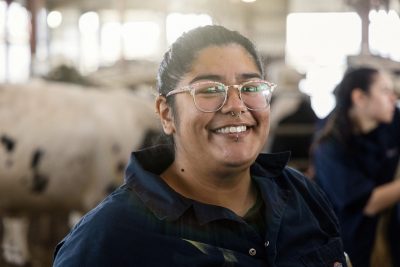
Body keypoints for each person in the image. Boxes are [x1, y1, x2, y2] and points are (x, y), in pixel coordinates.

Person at [53, 25, 348, 267]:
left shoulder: (301, 195)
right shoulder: (108, 239)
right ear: (167, 113)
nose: (236, 106)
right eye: (209, 90)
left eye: (251, 88)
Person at [312, 67, 400, 267]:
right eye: (385, 90)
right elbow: (369, 203)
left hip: (387, 237)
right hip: (351, 244)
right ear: (360, 97)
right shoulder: (330, 148)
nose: (393, 97)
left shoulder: (390, 125)